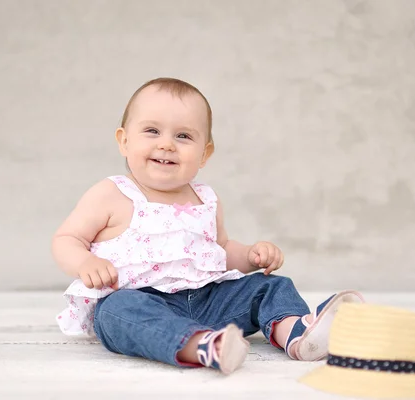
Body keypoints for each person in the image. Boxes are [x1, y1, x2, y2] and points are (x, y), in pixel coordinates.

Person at [51, 77, 364, 375]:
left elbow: (221, 251)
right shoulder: (111, 193)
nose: (167, 145)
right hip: (141, 299)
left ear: (204, 154)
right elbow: (67, 238)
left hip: (209, 300)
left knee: (270, 286)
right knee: (117, 311)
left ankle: (296, 334)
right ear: (124, 140)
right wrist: (86, 262)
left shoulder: (206, 199)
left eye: (183, 136)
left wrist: (252, 255)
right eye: (152, 131)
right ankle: (202, 346)